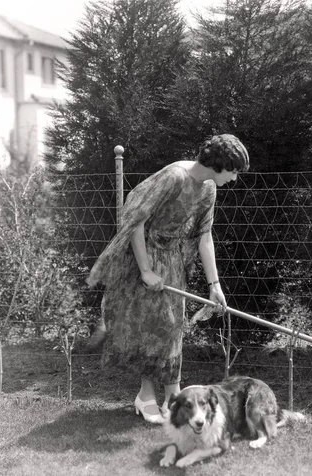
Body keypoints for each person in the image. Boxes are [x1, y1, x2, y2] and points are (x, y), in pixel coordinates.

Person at [86, 134, 250, 424]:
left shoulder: (209, 188)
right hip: (144, 259)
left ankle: (152, 398)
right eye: (235, 171)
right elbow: (135, 217)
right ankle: (171, 400)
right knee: (160, 327)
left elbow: (204, 236)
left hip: (172, 262)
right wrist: (146, 269)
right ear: (221, 164)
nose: (235, 179)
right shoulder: (174, 176)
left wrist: (215, 286)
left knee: (168, 330)